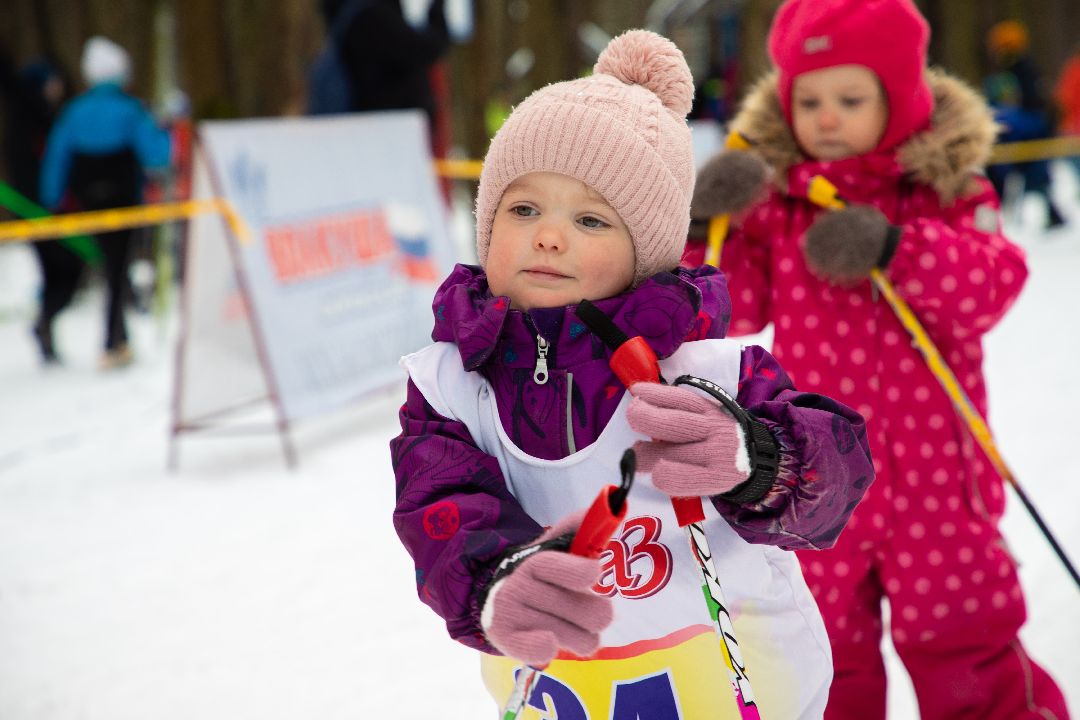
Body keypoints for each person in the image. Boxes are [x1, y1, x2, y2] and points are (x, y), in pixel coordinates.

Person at [390, 30, 875, 719]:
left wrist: (760, 458)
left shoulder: (706, 372)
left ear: (646, 253)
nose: (548, 235)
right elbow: (438, 508)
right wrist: (493, 582)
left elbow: (837, 476)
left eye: (591, 219)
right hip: (563, 693)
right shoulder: (451, 389)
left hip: (728, 681)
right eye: (523, 209)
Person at [684, 1, 1070, 718]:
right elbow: (730, 306)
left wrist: (897, 249)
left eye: (850, 99)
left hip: (939, 481)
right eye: (809, 101)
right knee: (826, 647)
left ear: (901, 99)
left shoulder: (946, 188)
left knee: (966, 638)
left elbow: (992, 283)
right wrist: (711, 226)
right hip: (822, 478)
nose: (826, 117)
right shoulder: (781, 204)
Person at [39, 36, 171, 369]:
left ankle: (113, 336)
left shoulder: (73, 112)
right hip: (123, 201)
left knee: (109, 267)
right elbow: (158, 154)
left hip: (88, 202)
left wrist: (52, 199)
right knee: (117, 268)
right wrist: (165, 133)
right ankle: (114, 341)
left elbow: (56, 157)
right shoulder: (131, 109)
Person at [0, 48, 82, 364]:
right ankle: (45, 324)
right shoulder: (30, 111)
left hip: (42, 207)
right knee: (67, 270)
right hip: (38, 208)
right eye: (52, 82)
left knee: (59, 273)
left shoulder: (38, 113)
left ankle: (46, 326)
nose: (57, 88)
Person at [983, 20, 1067, 228]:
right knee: (1027, 177)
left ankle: (1052, 215)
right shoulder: (1007, 73)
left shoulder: (1025, 71)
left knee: (1036, 178)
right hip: (1017, 141)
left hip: (1028, 136)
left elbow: (1035, 108)